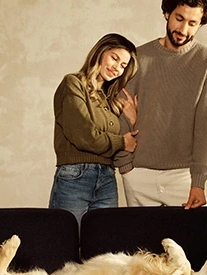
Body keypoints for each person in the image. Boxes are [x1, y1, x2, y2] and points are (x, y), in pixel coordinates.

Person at [115, 0, 207, 209]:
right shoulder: (138, 57)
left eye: (192, 23)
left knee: (185, 244)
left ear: (200, 25)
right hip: (139, 172)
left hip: (183, 176)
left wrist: (198, 181)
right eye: (179, 18)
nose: (183, 29)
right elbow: (119, 109)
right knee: (140, 244)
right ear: (167, 13)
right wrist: (125, 166)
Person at [48, 33, 139, 226]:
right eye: (114, 58)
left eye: (123, 65)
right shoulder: (73, 84)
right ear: (100, 52)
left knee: (103, 248)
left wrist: (132, 118)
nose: (117, 68)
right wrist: (122, 141)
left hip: (107, 178)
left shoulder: (109, 100)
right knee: (67, 243)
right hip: (75, 177)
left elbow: (133, 140)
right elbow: (86, 137)